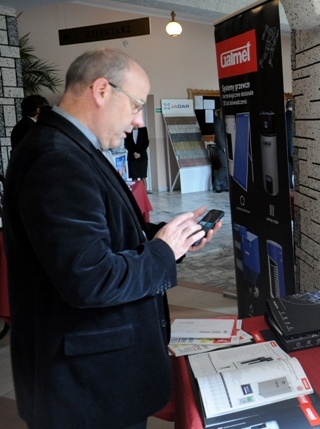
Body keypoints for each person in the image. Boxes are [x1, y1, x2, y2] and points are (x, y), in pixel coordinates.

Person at [2, 48, 221, 429]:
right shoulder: (56, 158)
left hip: (92, 378)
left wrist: (174, 241)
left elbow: (107, 236)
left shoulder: (72, 146)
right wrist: (162, 249)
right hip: (85, 387)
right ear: (102, 90)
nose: (138, 120)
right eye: (136, 104)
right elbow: (92, 278)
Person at [124, 124, 150, 192]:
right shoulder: (128, 131)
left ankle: (144, 193)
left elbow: (146, 143)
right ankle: (136, 193)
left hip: (142, 157)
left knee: (143, 176)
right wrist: (134, 153)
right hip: (132, 157)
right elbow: (126, 144)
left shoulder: (143, 130)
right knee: (134, 176)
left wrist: (140, 153)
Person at [212, 109, 229, 192]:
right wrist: (223, 147)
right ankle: (217, 184)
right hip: (221, 148)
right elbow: (218, 134)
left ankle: (224, 185)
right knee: (224, 166)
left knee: (227, 167)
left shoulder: (224, 120)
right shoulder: (218, 121)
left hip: (226, 146)